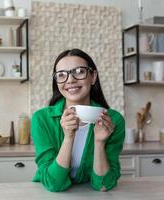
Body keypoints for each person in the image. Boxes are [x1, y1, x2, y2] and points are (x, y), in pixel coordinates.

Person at [31, 48, 125, 192]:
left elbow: (104, 185)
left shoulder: (113, 120)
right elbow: (53, 184)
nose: (70, 80)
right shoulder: (41, 119)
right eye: (61, 75)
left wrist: (99, 142)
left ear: (93, 77)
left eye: (79, 71)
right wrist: (69, 137)